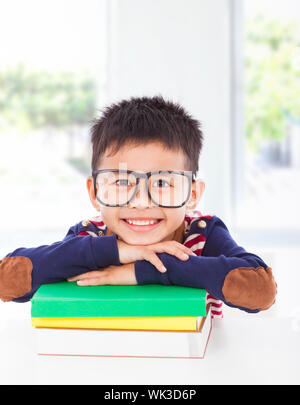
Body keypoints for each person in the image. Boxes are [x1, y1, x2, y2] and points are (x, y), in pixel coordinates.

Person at [0, 95, 277, 317]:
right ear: (95, 193)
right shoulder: (91, 236)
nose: (141, 201)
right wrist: (118, 252)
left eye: (162, 183)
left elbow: (260, 290)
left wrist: (139, 271)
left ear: (192, 194)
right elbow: (8, 280)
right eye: (121, 183)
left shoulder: (202, 234)